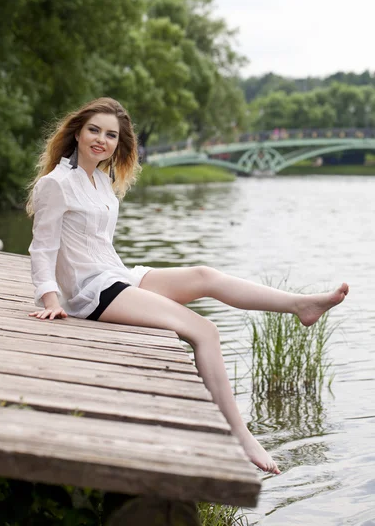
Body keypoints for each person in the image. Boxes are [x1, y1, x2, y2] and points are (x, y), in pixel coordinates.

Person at [27, 97, 349, 475]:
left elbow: (99, 246)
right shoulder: (57, 183)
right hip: (91, 292)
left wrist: (134, 282)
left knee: (205, 275)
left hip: (117, 275)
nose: (101, 139)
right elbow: (43, 248)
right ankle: (240, 434)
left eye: (111, 135)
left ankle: (299, 305)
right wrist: (51, 299)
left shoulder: (100, 180)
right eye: (94, 130)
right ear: (78, 133)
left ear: (119, 142)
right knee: (204, 330)